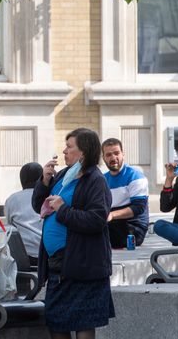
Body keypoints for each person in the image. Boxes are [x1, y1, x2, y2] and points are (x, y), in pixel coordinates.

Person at [33, 128, 114, 339]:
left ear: (84, 153)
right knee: (56, 321)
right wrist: (44, 181)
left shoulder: (95, 180)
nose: (64, 151)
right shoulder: (62, 176)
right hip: (59, 263)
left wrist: (63, 209)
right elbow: (38, 206)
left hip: (81, 262)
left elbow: (97, 220)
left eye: (69, 147)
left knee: (83, 322)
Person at [101, 138, 149, 249]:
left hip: (133, 229)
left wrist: (112, 215)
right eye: (108, 155)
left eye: (116, 153)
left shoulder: (135, 176)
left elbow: (138, 208)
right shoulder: (102, 179)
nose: (113, 158)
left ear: (123, 154)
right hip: (111, 224)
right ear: (103, 158)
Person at [4, 162, 44, 265]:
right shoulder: (50, 196)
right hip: (47, 253)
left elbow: (9, 226)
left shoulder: (12, 199)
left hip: (23, 256)